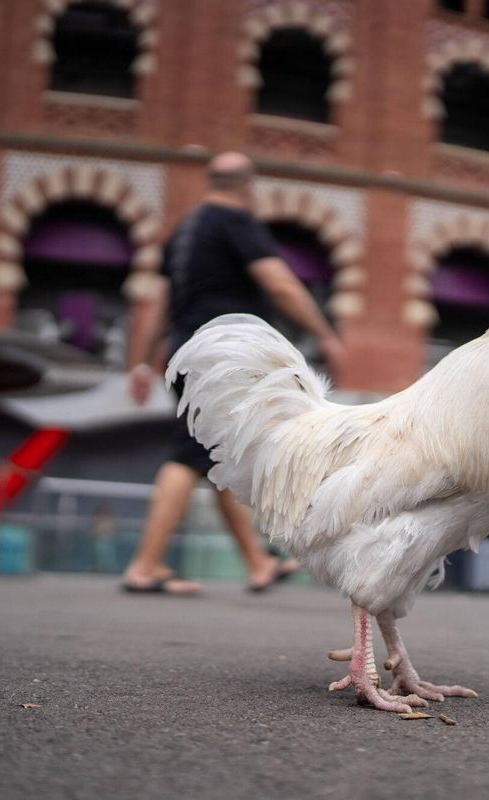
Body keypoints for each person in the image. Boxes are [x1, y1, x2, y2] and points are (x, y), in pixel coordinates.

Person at [122, 152, 345, 595]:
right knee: (189, 453)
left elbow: (157, 304)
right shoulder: (236, 222)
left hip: (189, 354)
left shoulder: (182, 233)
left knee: (218, 454)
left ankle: (257, 561)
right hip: (225, 357)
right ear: (248, 186)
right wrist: (327, 335)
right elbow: (280, 284)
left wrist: (141, 362)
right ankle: (144, 566)